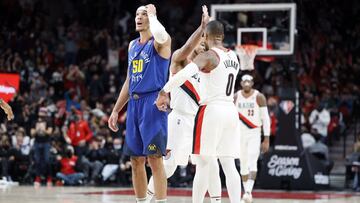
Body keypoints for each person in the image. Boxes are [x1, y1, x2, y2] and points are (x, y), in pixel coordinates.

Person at [156, 20, 242, 203]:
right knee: (228, 164)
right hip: (231, 110)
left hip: (212, 110)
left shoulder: (209, 56)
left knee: (203, 163)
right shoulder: (234, 56)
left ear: (206, 36)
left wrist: (164, 90)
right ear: (223, 36)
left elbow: (185, 73)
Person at [147, 6, 221, 203]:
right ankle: (146, 199)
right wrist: (202, 28)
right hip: (178, 120)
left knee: (207, 163)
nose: (202, 47)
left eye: (206, 46)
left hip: (198, 123)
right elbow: (188, 47)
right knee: (168, 168)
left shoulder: (206, 71)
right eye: (201, 44)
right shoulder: (179, 60)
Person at [108, 4, 171, 203]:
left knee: (154, 159)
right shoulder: (132, 45)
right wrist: (116, 109)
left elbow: (161, 34)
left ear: (151, 18)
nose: (139, 17)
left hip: (152, 103)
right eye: (137, 14)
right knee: (135, 160)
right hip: (134, 105)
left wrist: (153, 15)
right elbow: (129, 80)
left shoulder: (160, 42)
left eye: (143, 14)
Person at [234, 74, 271, 203]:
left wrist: (266, 138)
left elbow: (265, 119)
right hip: (239, 134)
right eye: (244, 81)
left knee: (252, 161)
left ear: (252, 83)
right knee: (243, 164)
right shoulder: (236, 97)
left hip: (254, 132)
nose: (247, 84)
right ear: (241, 83)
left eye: (249, 81)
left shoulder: (259, 97)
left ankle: (248, 191)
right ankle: (246, 192)